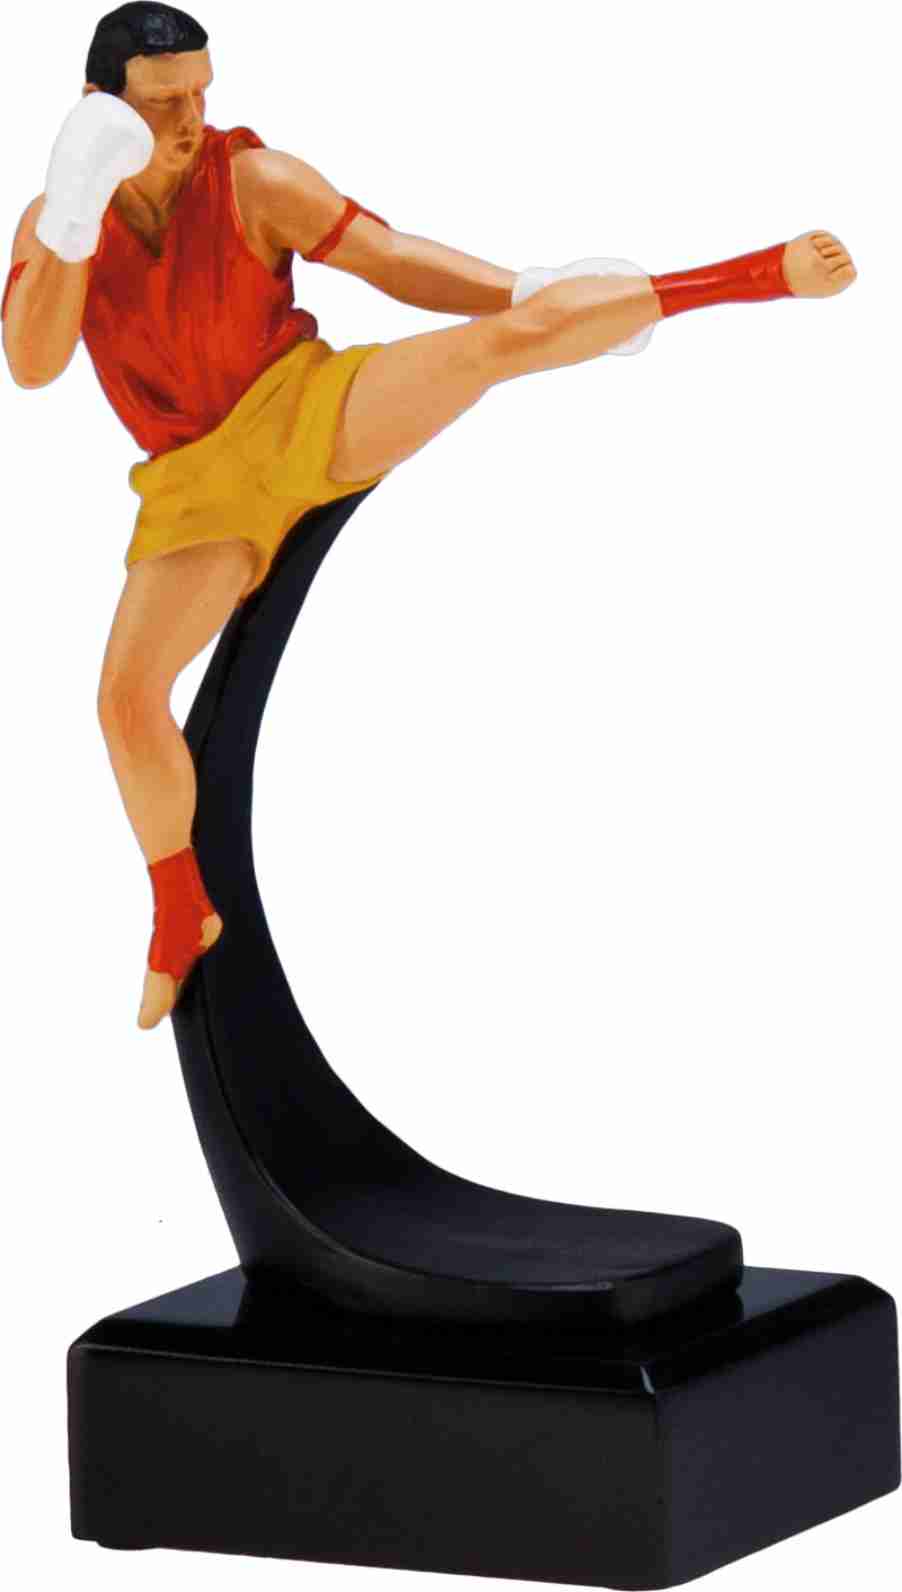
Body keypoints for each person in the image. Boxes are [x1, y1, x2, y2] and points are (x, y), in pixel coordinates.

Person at [2, 4, 857, 1032]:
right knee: (124, 698)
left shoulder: (252, 178)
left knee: (500, 342)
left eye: (200, 94)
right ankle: (180, 907)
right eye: (160, 103)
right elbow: (32, 363)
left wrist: (521, 287)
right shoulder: (60, 220)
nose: (189, 121)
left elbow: (389, 257)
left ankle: (746, 276)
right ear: (98, 107)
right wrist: (72, 210)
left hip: (306, 408)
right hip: (192, 484)